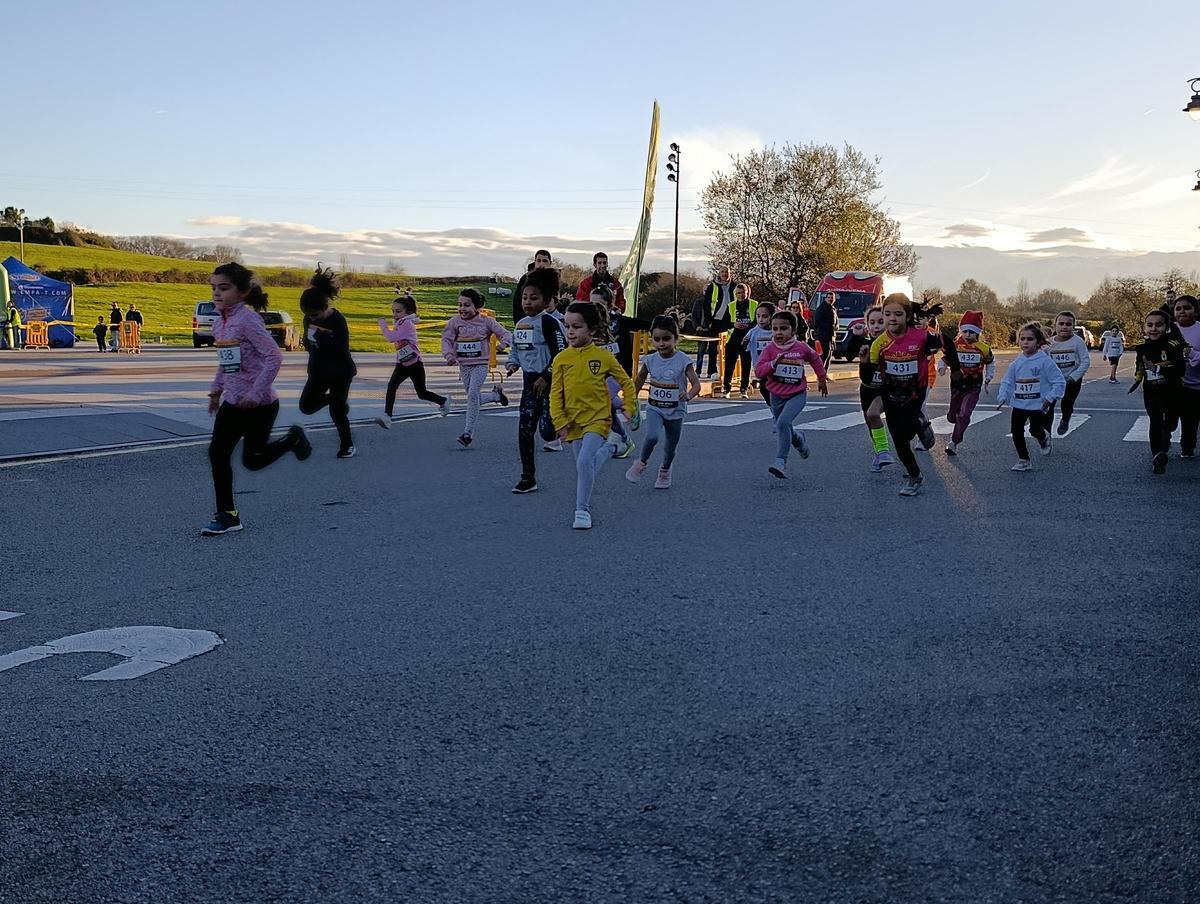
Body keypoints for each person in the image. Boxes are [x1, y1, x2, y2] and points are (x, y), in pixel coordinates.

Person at [203, 262, 311, 536]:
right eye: (213, 287)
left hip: (260, 405)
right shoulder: (219, 324)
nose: (217, 293)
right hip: (233, 404)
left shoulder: (248, 320)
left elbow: (274, 356)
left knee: (253, 460)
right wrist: (216, 391)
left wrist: (256, 392)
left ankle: (292, 440)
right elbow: (226, 363)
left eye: (223, 288)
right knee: (217, 454)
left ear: (242, 292)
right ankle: (227, 515)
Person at [550, 301, 637, 529]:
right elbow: (555, 395)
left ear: (592, 329)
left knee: (584, 460)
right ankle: (611, 448)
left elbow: (626, 383)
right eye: (567, 326)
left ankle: (582, 510)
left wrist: (630, 407)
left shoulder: (604, 357)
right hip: (573, 420)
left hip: (598, 418)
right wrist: (559, 422)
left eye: (576, 326)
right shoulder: (561, 360)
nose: (570, 331)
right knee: (583, 465)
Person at [869, 294, 943, 496]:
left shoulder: (920, 335)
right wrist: (864, 363)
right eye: (887, 314)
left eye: (898, 314)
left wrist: (953, 367)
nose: (892, 318)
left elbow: (946, 345)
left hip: (915, 391)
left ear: (907, 316)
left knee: (907, 428)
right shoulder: (880, 343)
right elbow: (868, 374)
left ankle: (920, 424)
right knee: (899, 441)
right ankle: (915, 475)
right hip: (891, 393)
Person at [506, 266, 567, 494]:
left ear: (547, 300)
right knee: (524, 431)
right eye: (524, 298)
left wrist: (546, 376)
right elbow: (516, 348)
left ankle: (558, 428)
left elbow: (561, 354)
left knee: (547, 432)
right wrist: (512, 363)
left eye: (534, 298)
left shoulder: (550, 323)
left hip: (550, 383)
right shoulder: (521, 324)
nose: (528, 302)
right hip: (528, 383)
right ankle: (527, 477)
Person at [626, 315, 701, 489]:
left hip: (676, 410)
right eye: (657, 339)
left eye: (666, 339)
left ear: (676, 338)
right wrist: (632, 399)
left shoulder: (683, 360)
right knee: (652, 436)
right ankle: (641, 463)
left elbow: (696, 384)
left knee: (670, 447)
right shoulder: (650, 360)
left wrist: (688, 395)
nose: (661, 344)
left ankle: (665, 471)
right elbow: (639, 379)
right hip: (655, 408)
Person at [754, 309, 829, 479]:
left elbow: (816, 359)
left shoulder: (801, 347)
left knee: (782, 424)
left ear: (793, 331)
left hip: (797, 394)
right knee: (785, 426)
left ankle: (781, 462)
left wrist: (822, 379)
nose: (778, 332)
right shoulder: (770, 350)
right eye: (775, 329)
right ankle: (799, 440)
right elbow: (759, 371)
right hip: (776, 395)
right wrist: (773, 364)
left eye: (783, 328)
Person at [298, 265, 358, 459]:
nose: (311, 318)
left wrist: (323, 337)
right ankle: (338, 401)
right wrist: (307, 341)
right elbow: (309, 343)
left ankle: (347, 445)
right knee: (306, 406)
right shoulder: (308, 318)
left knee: (337, 412)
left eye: (315, 315)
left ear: (326, 307)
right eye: (308, 315)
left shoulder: (337, 320)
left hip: (340, 371)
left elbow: (341, 348)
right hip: (318, 370)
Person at [441, 288, 511, 448]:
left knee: (472, 394)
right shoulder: (454, 322)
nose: (462, 309)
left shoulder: (486, 321)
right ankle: (495, 396)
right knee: (473, 398)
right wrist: (449, 355)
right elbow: (446, 339)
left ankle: (468, 433)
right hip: (464, 366)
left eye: (466, 305)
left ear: (477, 307)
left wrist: (503, 344)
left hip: (480, 364)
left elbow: (505, 333)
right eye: (459, 305)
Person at [996, 322, 1066, 472]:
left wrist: (1050, 397)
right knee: (1016, 431)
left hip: (1038, 404)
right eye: (1022, 339)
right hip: (1019, 404)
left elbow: (1059, 382)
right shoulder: (1016, 363)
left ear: (1039, 342)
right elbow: (1007, 381)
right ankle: (1024, 460)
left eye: (1030, 339)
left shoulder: (1045, 362)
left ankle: (1043, 438)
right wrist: (1003, 396)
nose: (1025, 342)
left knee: (1034, 430)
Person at [376, 293, 450, 426]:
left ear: (408, 312)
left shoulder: (406, 324)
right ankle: (387, 416)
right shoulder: (401, 323)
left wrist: (383, 325)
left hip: (414, 364)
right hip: (403, 363)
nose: (394, 314)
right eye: (393, 311)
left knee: (421, 393)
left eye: (398, 311)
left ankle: (443, 401)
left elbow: (391, 337)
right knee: (392, 387)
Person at [1128, 308, 1186, 475]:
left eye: (1159, 325)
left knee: (1170, 423)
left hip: (1172, 391)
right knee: (1155, 421)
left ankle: (1167, 432)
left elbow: (1180, 369)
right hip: (1152, 392)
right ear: (1145, 327)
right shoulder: (1141, 346)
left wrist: (1157, 369)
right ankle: (1157, 455)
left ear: (1167, 327)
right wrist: (1138, 377)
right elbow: (1140, 364)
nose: (1154, 329)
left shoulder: (1173, 344)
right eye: (1150, 325)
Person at [840, 306, 894, 470]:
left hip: (886, 390)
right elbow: (849, 355)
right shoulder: (864, 343)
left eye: (880, 322)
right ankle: (880, 453)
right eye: (872, 323)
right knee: (871, 422)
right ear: (867, 326)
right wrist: (855, 337)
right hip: (867, 389)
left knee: (874, 413)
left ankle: (885, 451)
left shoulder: (893, 343)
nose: (876, 326)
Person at [589, 286, 638, 459]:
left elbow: (639, 323)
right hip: (599, 373)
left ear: (609, 305)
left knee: (603, 403)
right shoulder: (590, 324)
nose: (594, 308)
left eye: (599, 304)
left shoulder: (618, 322)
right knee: (606, 406)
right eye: (591, 303)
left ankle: (623, 437)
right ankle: (627, 408)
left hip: (618, 372)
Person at [939, 310, 995, 456]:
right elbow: (945, 358)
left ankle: (954, 442)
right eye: (965, 331)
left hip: (973, 386)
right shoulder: (955, 345)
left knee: (964, 414)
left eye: (972, 331)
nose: (968, 334)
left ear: (978, 332)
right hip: (957, 386)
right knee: (952, 416)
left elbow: (990, 363)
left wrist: (989, 377)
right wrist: (942, 366)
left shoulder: (983, 348)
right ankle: (953, 417)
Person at [1044, 311, 1090, 435]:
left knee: (1067, 404)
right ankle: (1046, 435)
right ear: (1055, 325)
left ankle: (1065, 419)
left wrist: (1073, 377)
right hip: (1053, 382)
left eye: (1068, 324)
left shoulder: (1078, 342)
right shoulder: (1048, 343)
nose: (1064, 327)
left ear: (1073, 327)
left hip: (1072, 380)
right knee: (1049, 407)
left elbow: (1085, 361)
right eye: (1061, 323)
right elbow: (1041, 362)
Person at [692, 265, 735, 381]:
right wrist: (708, 321)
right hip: (715, 321)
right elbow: (706, 306)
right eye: (722, 272)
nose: (725, 274)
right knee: (712, 347)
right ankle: (712, 370)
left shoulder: (735, 287)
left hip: (730, 321)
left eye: (727, 272)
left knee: (730, 347)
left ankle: (729, 371)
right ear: (719, 274)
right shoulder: (712, 287)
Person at [1173, 295, 1200, 458]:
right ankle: (1162, 445)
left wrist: (1191, 353)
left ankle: (1187, 447)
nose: (1182, 311)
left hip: (1196, 385)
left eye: (1187, 308)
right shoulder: (1168, 329)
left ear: (1195, 311)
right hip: (1174, 384)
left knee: (1190, 420)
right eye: (1178, 308)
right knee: (1167, 419)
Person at [722, 283, 757, 398]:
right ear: (735, 294)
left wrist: (749, 326)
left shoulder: (754, 304)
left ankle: (744, 389)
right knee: (729, 365)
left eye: (743, 293)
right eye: (738, 293)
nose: (741, 295)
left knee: (746, 365)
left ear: (748, 293)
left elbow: (758, 321)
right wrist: (734, 324)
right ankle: (726, 389)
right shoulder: (731, 306)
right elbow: (724, 323)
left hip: (748, 338)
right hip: (733, 338)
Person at [743, 302, 776, 408]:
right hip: (761, 368)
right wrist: (744, 343)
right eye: (758, 316)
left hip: (776, 369)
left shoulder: (776, 331)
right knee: (764, 389)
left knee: (775, 391)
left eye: (765, 316)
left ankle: (778, 412)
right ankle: (775, 411)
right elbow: (744, 349)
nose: (761, 319)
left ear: (771, 317)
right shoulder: (753, 332)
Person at [512, 249, 553, 324]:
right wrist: (519, 321)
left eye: (544, 261)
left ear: (550, 263)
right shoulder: (526, 279)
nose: (541, 264)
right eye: (538, 261)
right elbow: (518, 301)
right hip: (528, 319)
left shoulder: (553, 280)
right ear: (535, 262)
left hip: (549, 319)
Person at [810, 290, 838, 370]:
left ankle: (824, 373)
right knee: (824, 355)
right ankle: (821, 373)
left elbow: (835, 321)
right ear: (825, 298)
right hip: (823, 336)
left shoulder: (833, 309)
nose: (830, 299)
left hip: (831, 336)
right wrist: (825, 329)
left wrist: (835, 326)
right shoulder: (821, 309)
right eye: (828, 297)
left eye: (832, 298)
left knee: (829, 355)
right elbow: (816, 322)